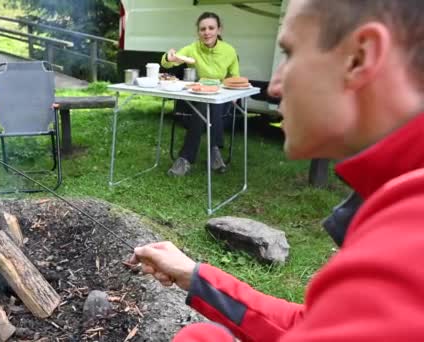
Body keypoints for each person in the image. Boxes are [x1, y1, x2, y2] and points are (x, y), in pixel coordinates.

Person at [131, 0, 424, 340]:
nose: (274, 86)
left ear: (360, 58)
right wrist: (195, 276)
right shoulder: (397, 200)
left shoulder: (409, 234)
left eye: (290, 52)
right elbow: (308, 324)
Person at [161, 12, 240, 176]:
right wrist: (169, 58)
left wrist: (234, 95)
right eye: (202, 29)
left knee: (212, 103)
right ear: (198, 32)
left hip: (221, 97)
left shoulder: (229, 51)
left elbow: (235, 77)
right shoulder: (192, 48)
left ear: (219, 30)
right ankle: (214, 151)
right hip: (199, 95)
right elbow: (172, 61)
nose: (207, 32)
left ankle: (185, 158)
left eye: (211, 28)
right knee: (205, 103)